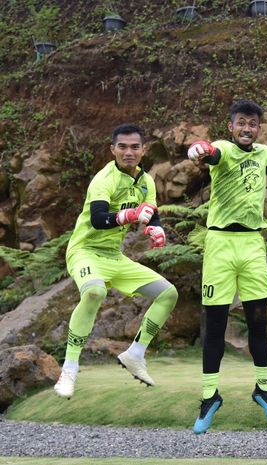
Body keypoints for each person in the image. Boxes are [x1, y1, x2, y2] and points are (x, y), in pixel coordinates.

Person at [186, 94, 267, 434]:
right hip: (220, 243)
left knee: (258, 319)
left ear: (259, 128)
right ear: (231, 126)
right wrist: (199, 151)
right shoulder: (224, 148)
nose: (246, 128)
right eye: (241, 123)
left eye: (252, 124)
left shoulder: (262, 154)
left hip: (251, 243)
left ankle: (263, 389)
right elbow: (210, 152)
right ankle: (209, 397)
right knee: (216, 322)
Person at [54, 123, 178, 399]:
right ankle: (69, 368)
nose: (129, 152)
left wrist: (155, 230)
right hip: (85, 251)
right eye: (122, 147)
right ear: (113, 149)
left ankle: (135, 354)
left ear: (144, 150)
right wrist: (130, 216)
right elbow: (99, 220)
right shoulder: (104, 179)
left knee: (168, 294)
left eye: (135, 147)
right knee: (95, 291)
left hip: (114, 257)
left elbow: (151, 213)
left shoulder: (146, 182)